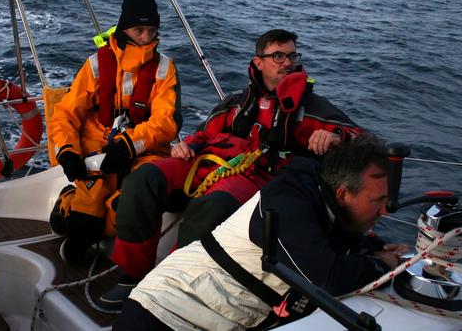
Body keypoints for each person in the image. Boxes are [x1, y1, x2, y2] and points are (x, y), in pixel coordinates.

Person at [100, 29, 363, 311]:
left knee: (210, 207)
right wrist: (185, 146)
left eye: (291, 56)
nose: (287, 62)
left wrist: (336, 137)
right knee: (144, 179)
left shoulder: (312, 108)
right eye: (278, 56)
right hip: (210, 161)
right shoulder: (239, 102)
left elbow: (362, 139)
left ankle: (173, 291)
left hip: (260, 174)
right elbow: (204, 133)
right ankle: (133, 275)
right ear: (259, 62)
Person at [114, 133, 410, 330]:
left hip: (215, 318)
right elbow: (329, 278)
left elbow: (337, 242)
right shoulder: (288, 204)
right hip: (164, 314)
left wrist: (374, 249)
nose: (385, 211)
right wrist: (382, 263)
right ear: (343, 193)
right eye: (379, 201)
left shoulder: (322, 202)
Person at [48, 0, 182, 261]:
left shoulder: (165, 68)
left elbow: (166, 121)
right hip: (97, 147)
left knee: (133, 202)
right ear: (123, 29)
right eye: (139, 29)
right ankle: (67, 207)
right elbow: (65, 113)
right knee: (86, 211)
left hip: (144, 147)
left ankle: (97, 232)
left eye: (152, 30)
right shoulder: (96, 64)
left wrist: (131, 145)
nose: (146, 36)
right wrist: (66, 151)